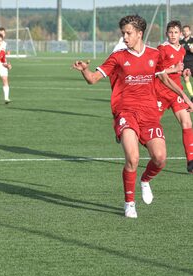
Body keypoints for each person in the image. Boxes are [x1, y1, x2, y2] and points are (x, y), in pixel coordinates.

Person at [72, 15, 190, 218]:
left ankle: (145, 180)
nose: (125, 37)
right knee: (133, 158)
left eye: (128, 33)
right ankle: (129, 202)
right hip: (125, 112)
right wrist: (85, 70)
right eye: (123, 33)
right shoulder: (118, 57)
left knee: (160, 159)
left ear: (139, 34)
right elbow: (93, 79)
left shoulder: (154, 55)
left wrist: (184, 96)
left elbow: (164, 79)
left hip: (149, 113)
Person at [155, 20, 193, 173]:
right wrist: (174, 69)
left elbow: (178, 68)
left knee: (187, 123)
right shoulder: (161, 49)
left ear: (180, 34)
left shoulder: (182, 50)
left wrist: (183, 71)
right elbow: (157, 71)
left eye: (176, 32)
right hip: (160, 91)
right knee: (150, 124)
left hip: (176, 91)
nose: (173, 35)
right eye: (170, 32)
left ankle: (191, 161)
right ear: (166, 34)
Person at [180, 25, 193, 98]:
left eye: (187, 31)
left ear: (190, 32)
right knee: (186, 79)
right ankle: (192, 95)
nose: (185, 32)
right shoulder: (180, 42)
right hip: (185, 64)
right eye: (184, 31)